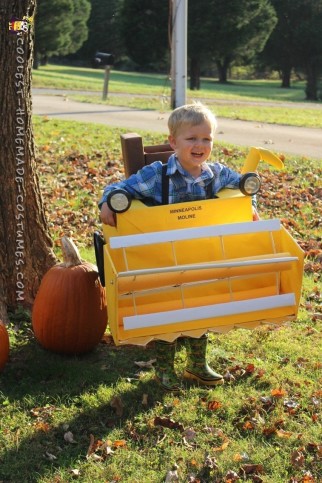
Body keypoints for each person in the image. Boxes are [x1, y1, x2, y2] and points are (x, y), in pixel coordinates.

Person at [99, 102, 258, 391]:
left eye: (207, 139)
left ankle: (197, 365)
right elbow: (117, 188)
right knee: (167, 310)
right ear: (173, 142)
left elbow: (243, 186)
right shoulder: (156, 175)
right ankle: (164, 367)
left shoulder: (217, 174)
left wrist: (251, 206)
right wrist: (108, 203)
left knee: (203, 304)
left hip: (202, 255)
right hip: (164, 258)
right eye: (192, 138)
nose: (200, 145)